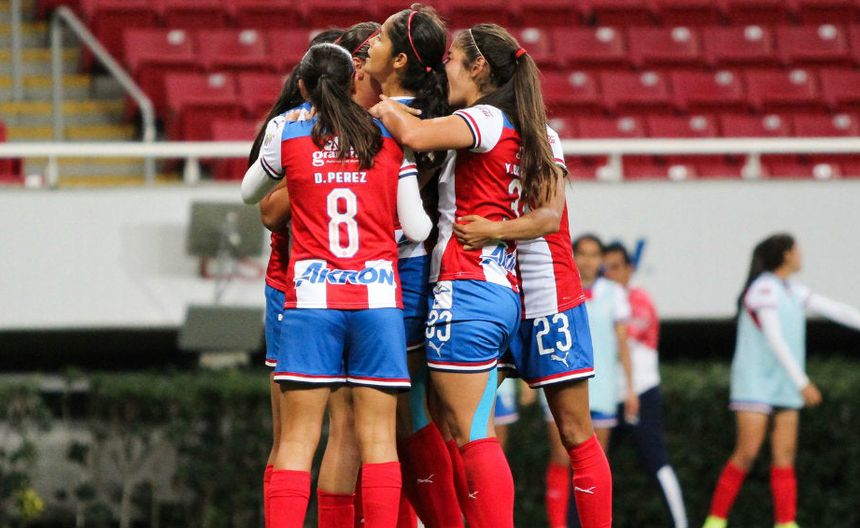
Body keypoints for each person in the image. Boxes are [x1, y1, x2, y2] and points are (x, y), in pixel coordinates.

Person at [371, 23, 563, 528]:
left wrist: (382, 108)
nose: (445, 70)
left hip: (467, 289)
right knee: (467, 430)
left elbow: (414, 135)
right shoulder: (524, 127)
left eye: (452, 60)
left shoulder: (484, 117)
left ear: (478, 67)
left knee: (472, 437)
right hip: (498, 289)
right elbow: (547, 216)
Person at [243, 43, 431, 528]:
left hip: (311, 300)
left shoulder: (288, 130)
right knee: (379, 441)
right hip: (377, 301)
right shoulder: (387, 133)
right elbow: (417, 228)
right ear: (354, 81)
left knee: (296, 440)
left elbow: (250, 194)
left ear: (303, 87)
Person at [451, 131, 615, 528]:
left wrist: (494, 231)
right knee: (469, 433)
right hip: (489, 293)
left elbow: (548, 217)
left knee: (575, 433)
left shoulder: (538, 135)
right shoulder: (463, 129)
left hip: (546, 295)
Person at [362, 6, 462, 527]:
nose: (369, 46)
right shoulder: (422, 116)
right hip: (409, 274)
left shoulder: (394, 121)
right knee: (410, 419)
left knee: (402, 419)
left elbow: (410, 221)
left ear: (400, 60)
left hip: (399, 274)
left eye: (379, 38)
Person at [243, 27, 344, 528]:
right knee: (294, 436)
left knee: (354, 431)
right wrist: (319, 171)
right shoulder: (287, 127)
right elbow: (266, 211)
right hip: (293, 285)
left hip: (355, 288)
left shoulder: (373, 125)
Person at [702, 234, 860, 528]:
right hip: (756, 384)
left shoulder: (792, 290)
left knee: (784, 456)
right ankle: (716, 520)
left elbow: (837, 310)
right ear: (786, 254)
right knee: (747, 452)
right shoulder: (762, 289)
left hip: (784, 385)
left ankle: (786, 523)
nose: (802, 254)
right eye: (797, 249)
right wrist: (802, 382)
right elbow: (774, 338)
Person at [603, 242, 688, 528]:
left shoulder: (639, 300)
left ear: (630, 269)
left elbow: (621, 339)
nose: (610, 274)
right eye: (606, 268)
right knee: (590, 466)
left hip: (640, 392)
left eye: (616, 267)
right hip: (608, 395)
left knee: (656, 462)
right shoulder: (605, 299)